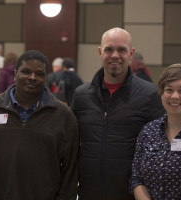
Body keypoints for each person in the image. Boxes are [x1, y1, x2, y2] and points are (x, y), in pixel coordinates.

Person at [71, 27, 165, 200]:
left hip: (132, 195)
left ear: (131, 53)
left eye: (122, 49)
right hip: (89, 193)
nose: (115, 55)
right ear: (100, 52)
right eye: (109, 49)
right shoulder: (81, 96)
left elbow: (161, 149)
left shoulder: (150, 95)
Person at [0, 50, 79, 200]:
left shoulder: (64, 116)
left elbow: (70, 171)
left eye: (39, 74)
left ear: (46, 78)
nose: (32, 77)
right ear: (15, 74)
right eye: (26, 71)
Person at [131, 63, 181, 200]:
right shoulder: (148, 131)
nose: (175, 96)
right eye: (169, 90)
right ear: (161, 93)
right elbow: (137, 177)